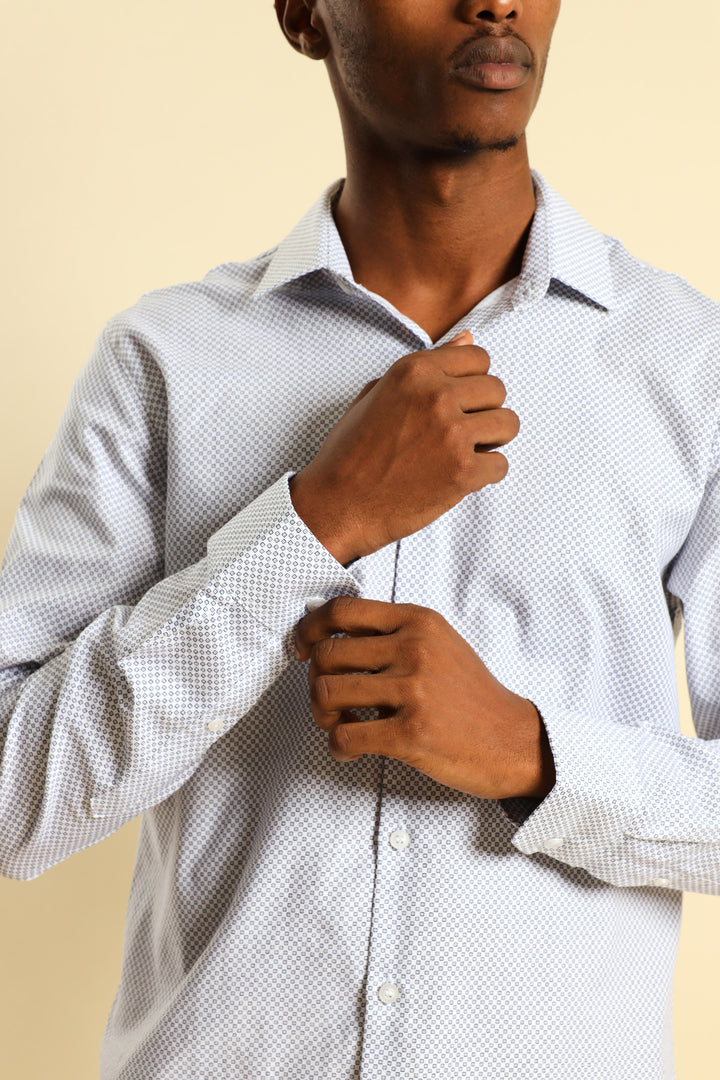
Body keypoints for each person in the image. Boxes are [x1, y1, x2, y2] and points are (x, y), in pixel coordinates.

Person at [1, 0, 719, 1076]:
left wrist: (533, 754)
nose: (496, 2)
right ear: (304, 15)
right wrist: (314, 522)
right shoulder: (167, 360)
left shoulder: (688, 370)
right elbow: (13, 799)